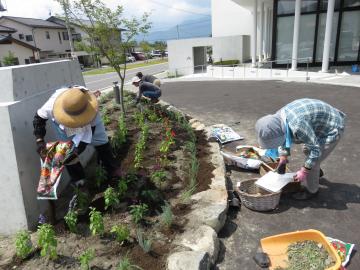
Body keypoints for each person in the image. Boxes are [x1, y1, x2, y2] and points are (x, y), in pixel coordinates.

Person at [33, 86, 121, 191]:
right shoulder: (52, 105)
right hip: (63, 127)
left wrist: (75, 152)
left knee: (102, 144)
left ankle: (112, 171)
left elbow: (83, 142)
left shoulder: (92, 111)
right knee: (66, 151)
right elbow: (39, 119)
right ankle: (79, 181)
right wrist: (40, 141)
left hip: (89, 127)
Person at [255, 98, 346, 200]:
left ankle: (311, 191)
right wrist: (283, 157)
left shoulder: (298, 126)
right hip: (319, 123)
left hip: (331, 127)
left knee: (312, 162)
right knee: (307, 150)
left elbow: (315, 150)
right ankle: (315, 172)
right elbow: (284, 139)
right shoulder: (277, 119)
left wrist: (305, 170)